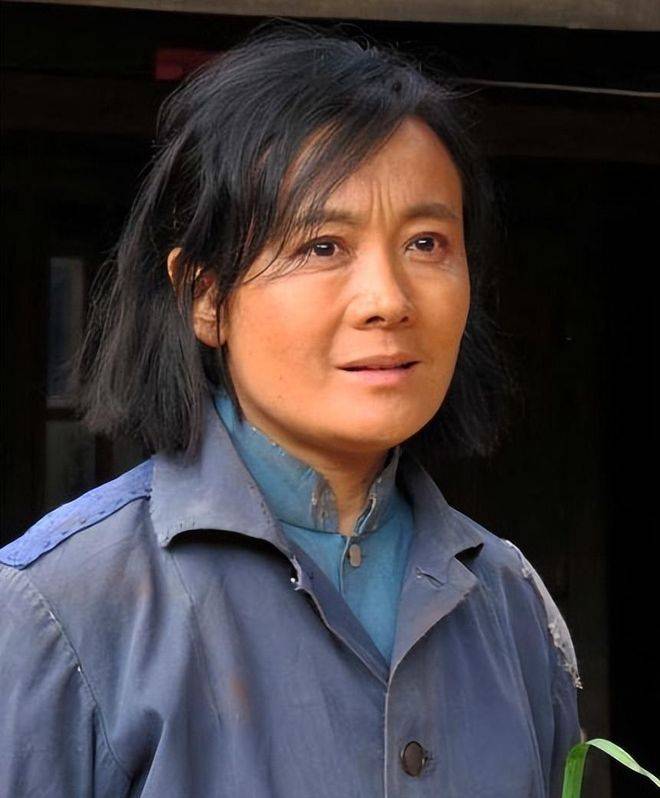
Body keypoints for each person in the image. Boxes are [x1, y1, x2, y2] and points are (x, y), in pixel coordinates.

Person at [0, 20, 583, 798]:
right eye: (322, 246)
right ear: (205, 297)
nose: (388, 300)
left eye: (426, 243)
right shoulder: (61, 607)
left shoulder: (511, 606)